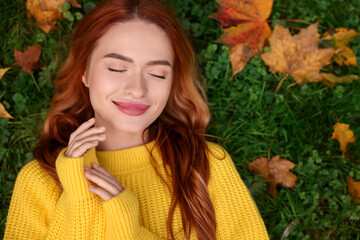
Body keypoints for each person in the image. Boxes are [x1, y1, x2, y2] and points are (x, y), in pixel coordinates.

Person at [4, 0, 269, 239]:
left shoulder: (207, 166)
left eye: (157, 74)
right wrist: (78, 194)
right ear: (84, 72)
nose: (137, 89)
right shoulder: (38, 181)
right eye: (117, 68)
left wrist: (129, 228)